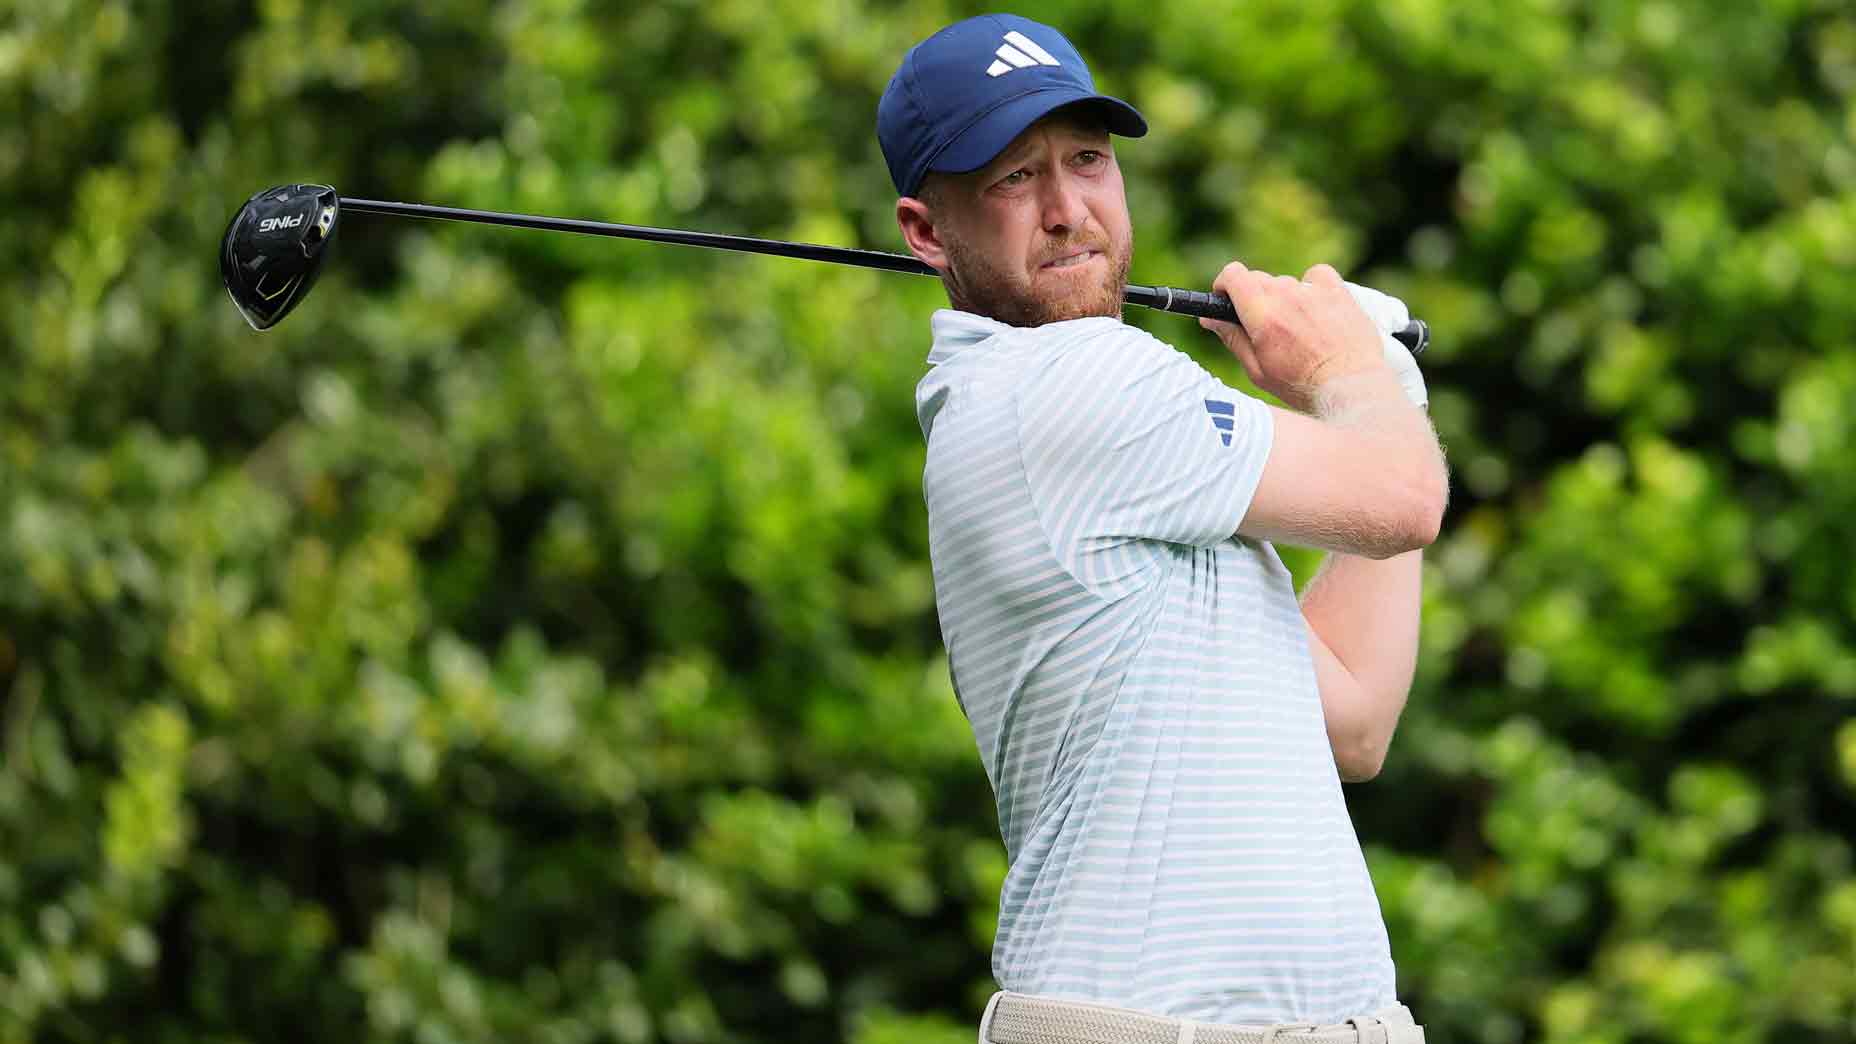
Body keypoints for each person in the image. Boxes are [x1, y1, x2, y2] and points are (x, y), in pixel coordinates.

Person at [876, 13, 1449, 1044]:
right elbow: (1404, 497)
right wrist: (1347, 369)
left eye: (1086, 160)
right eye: (1011, 179)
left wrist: (1381, 378)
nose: (1065, 210)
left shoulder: (1137, 451)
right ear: (926, 232)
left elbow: (1354, 716)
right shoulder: (1064, 382)